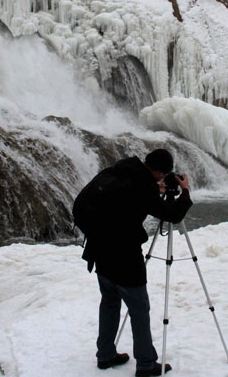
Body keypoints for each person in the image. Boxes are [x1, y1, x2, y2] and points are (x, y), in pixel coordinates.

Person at [78, 149, 192, 377]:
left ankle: (105, 354)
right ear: (159, 171)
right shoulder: (143, 187)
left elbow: (129, 200)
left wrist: (155, 190)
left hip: (100, 250)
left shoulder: (118, 172)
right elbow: (172, 214)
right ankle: (146, 364)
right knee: (139, 309)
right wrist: (186, 192)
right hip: (125, 257)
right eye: (163, 175)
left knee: (109, 302)